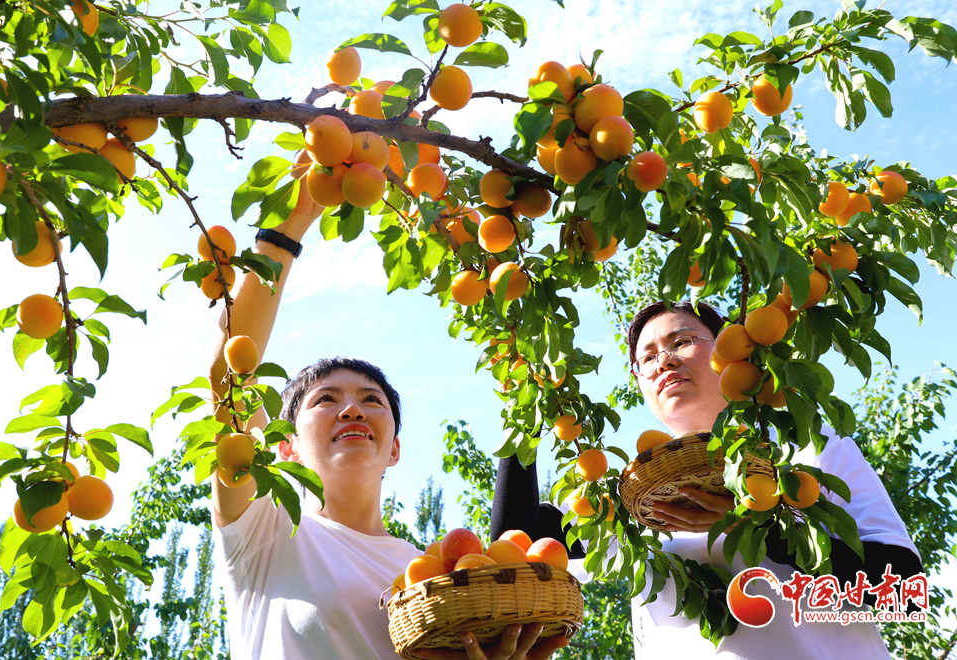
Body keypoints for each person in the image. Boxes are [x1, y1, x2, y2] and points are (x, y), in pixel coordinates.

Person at [208, 183, 569, 660]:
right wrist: (287, 227)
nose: (352, 409)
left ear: (394, 448)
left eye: (371, 400)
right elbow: (231, 374)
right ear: (285, 446)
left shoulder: (429, 574)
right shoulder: (265, 532)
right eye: (325, 400)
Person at [491, 299, 924, 659]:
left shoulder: (803, 448)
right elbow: (515, 549)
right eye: (646, 358)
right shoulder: (636, 497)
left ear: (729, 352)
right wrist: (526, 408)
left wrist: (757, 526)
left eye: (681, 342)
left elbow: (904, 592)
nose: (663, 360)